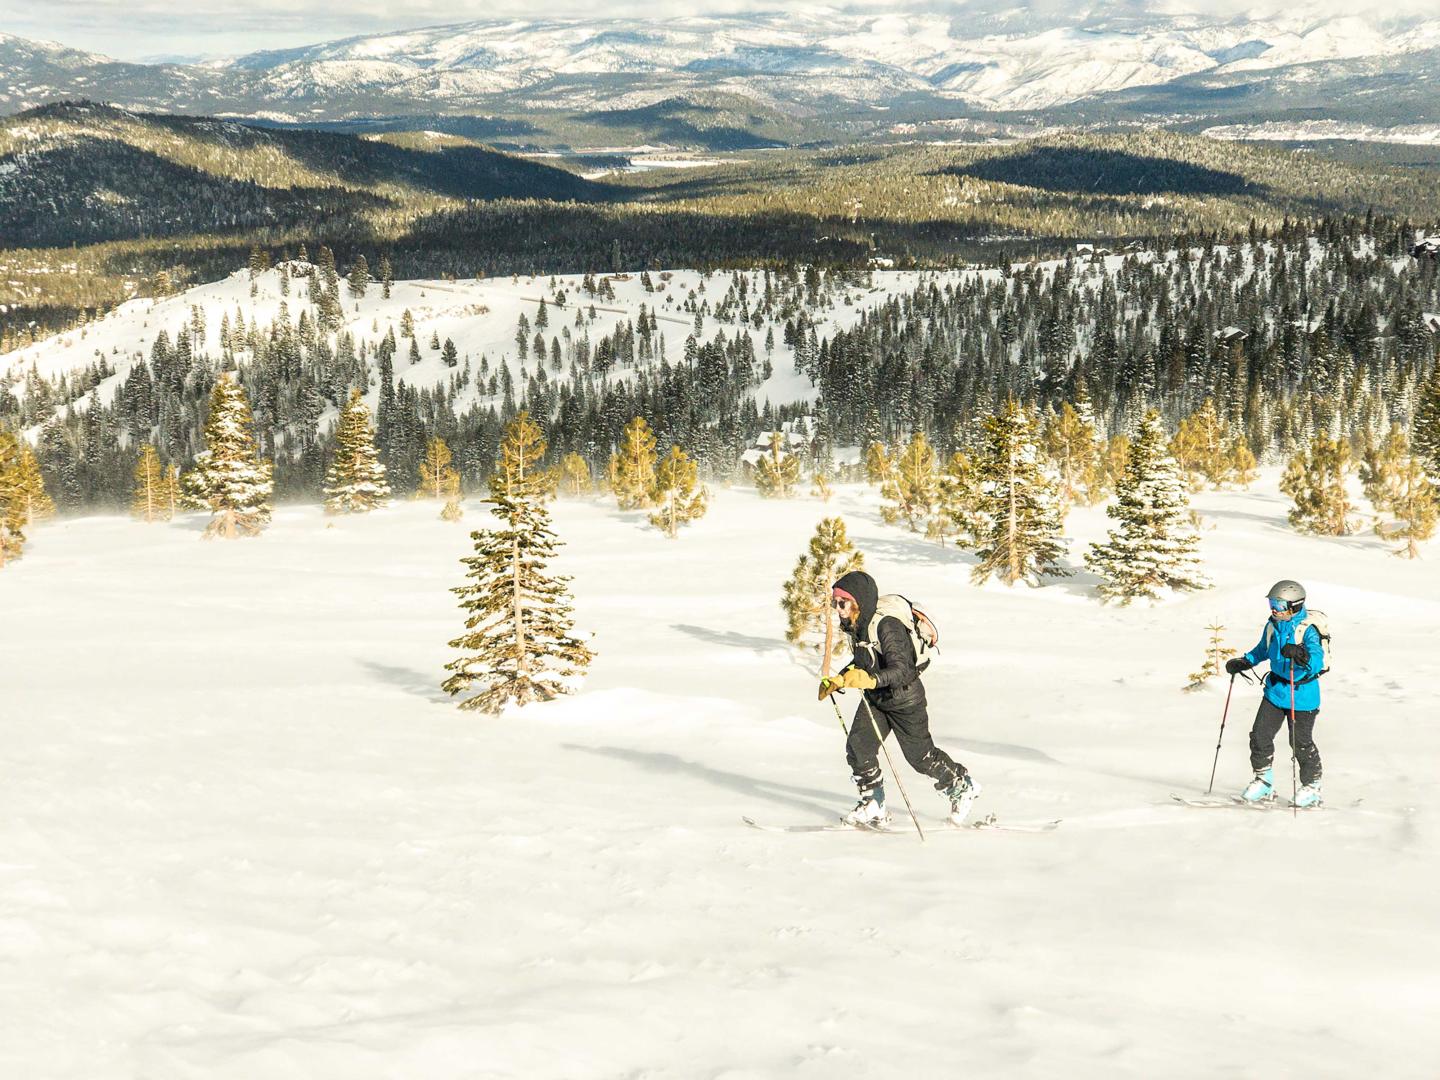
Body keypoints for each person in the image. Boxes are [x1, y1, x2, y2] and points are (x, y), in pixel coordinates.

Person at [818, 570, 979, 826]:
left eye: (842, 602)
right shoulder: (857, 625)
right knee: (859, 748)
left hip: (905, 700)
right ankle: (873, 802)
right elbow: (863, 660)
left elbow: (903, 669)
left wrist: (870, 680)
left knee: (920, 757)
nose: (837, 608)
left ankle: (961, 785)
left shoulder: (886, 625)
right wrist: (839, 678)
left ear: (858, 601)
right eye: (834, 602)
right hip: (877, 700)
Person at [1225, 579, 1326, 807]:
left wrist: (1302, 656)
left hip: (1302, 694)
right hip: (1275, 691)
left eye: (1279, 604)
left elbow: (1317, 659)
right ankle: (1263, 781)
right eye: (1272, 603)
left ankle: (1312, 786)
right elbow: (1263, 649)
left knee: (1300, 742)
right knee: (1259, 736)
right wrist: (1245, 661)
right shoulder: (1272, 625)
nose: (1274, 608)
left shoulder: (1307, 630)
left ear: (1295, 605)